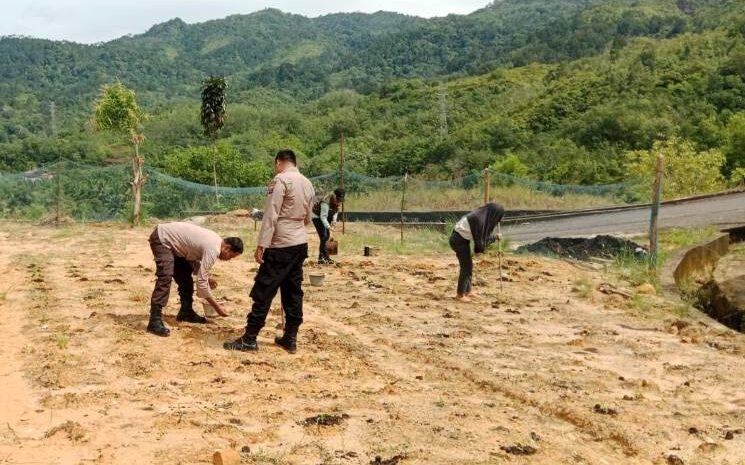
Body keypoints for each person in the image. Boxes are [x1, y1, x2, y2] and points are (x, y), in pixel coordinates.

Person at [224, 149, 315, 354]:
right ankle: (290, 338)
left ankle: (249, 339)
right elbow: (309, 216)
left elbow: (271, 214)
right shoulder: (307, 182)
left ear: (279, 163)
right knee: (293, 291)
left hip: (280, 244)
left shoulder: (281, 180)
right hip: (300, 242)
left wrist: (262, 244)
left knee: (264, 290)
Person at [147, 222, 244, 337]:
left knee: (185, 276)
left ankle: (186, 312)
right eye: (231, 256)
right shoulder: (214, 249)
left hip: (176, 246)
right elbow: (201, 283)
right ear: (227, 248)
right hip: (162, 238)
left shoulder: (216, 242)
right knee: (165, 276)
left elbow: (193, 259)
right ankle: (154, 320)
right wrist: (216, 307)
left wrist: (207, 277)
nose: (229, 260)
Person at [449, 203, 504, 302]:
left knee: (469, 266)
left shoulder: (480, 216)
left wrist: (492, 238)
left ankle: (467, 292)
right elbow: (481, 241)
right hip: (458, 241)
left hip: (462, 240)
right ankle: (460, 295)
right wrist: (495, 237)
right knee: (466, 267)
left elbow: (481, 238)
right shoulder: (478, 219)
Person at [312, 188, 345, 264]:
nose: (339, 201)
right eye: (338, 199)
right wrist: (329, 227)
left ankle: (324, 258)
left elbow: (336, 212)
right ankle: (323, 258)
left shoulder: (339, 201)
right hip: (317, 216)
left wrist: (333, 222)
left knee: (327, 237)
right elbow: (323, 217)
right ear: (334, 196)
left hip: (326, 216)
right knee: (324, 236)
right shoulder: (326, 202)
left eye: (340, 199)